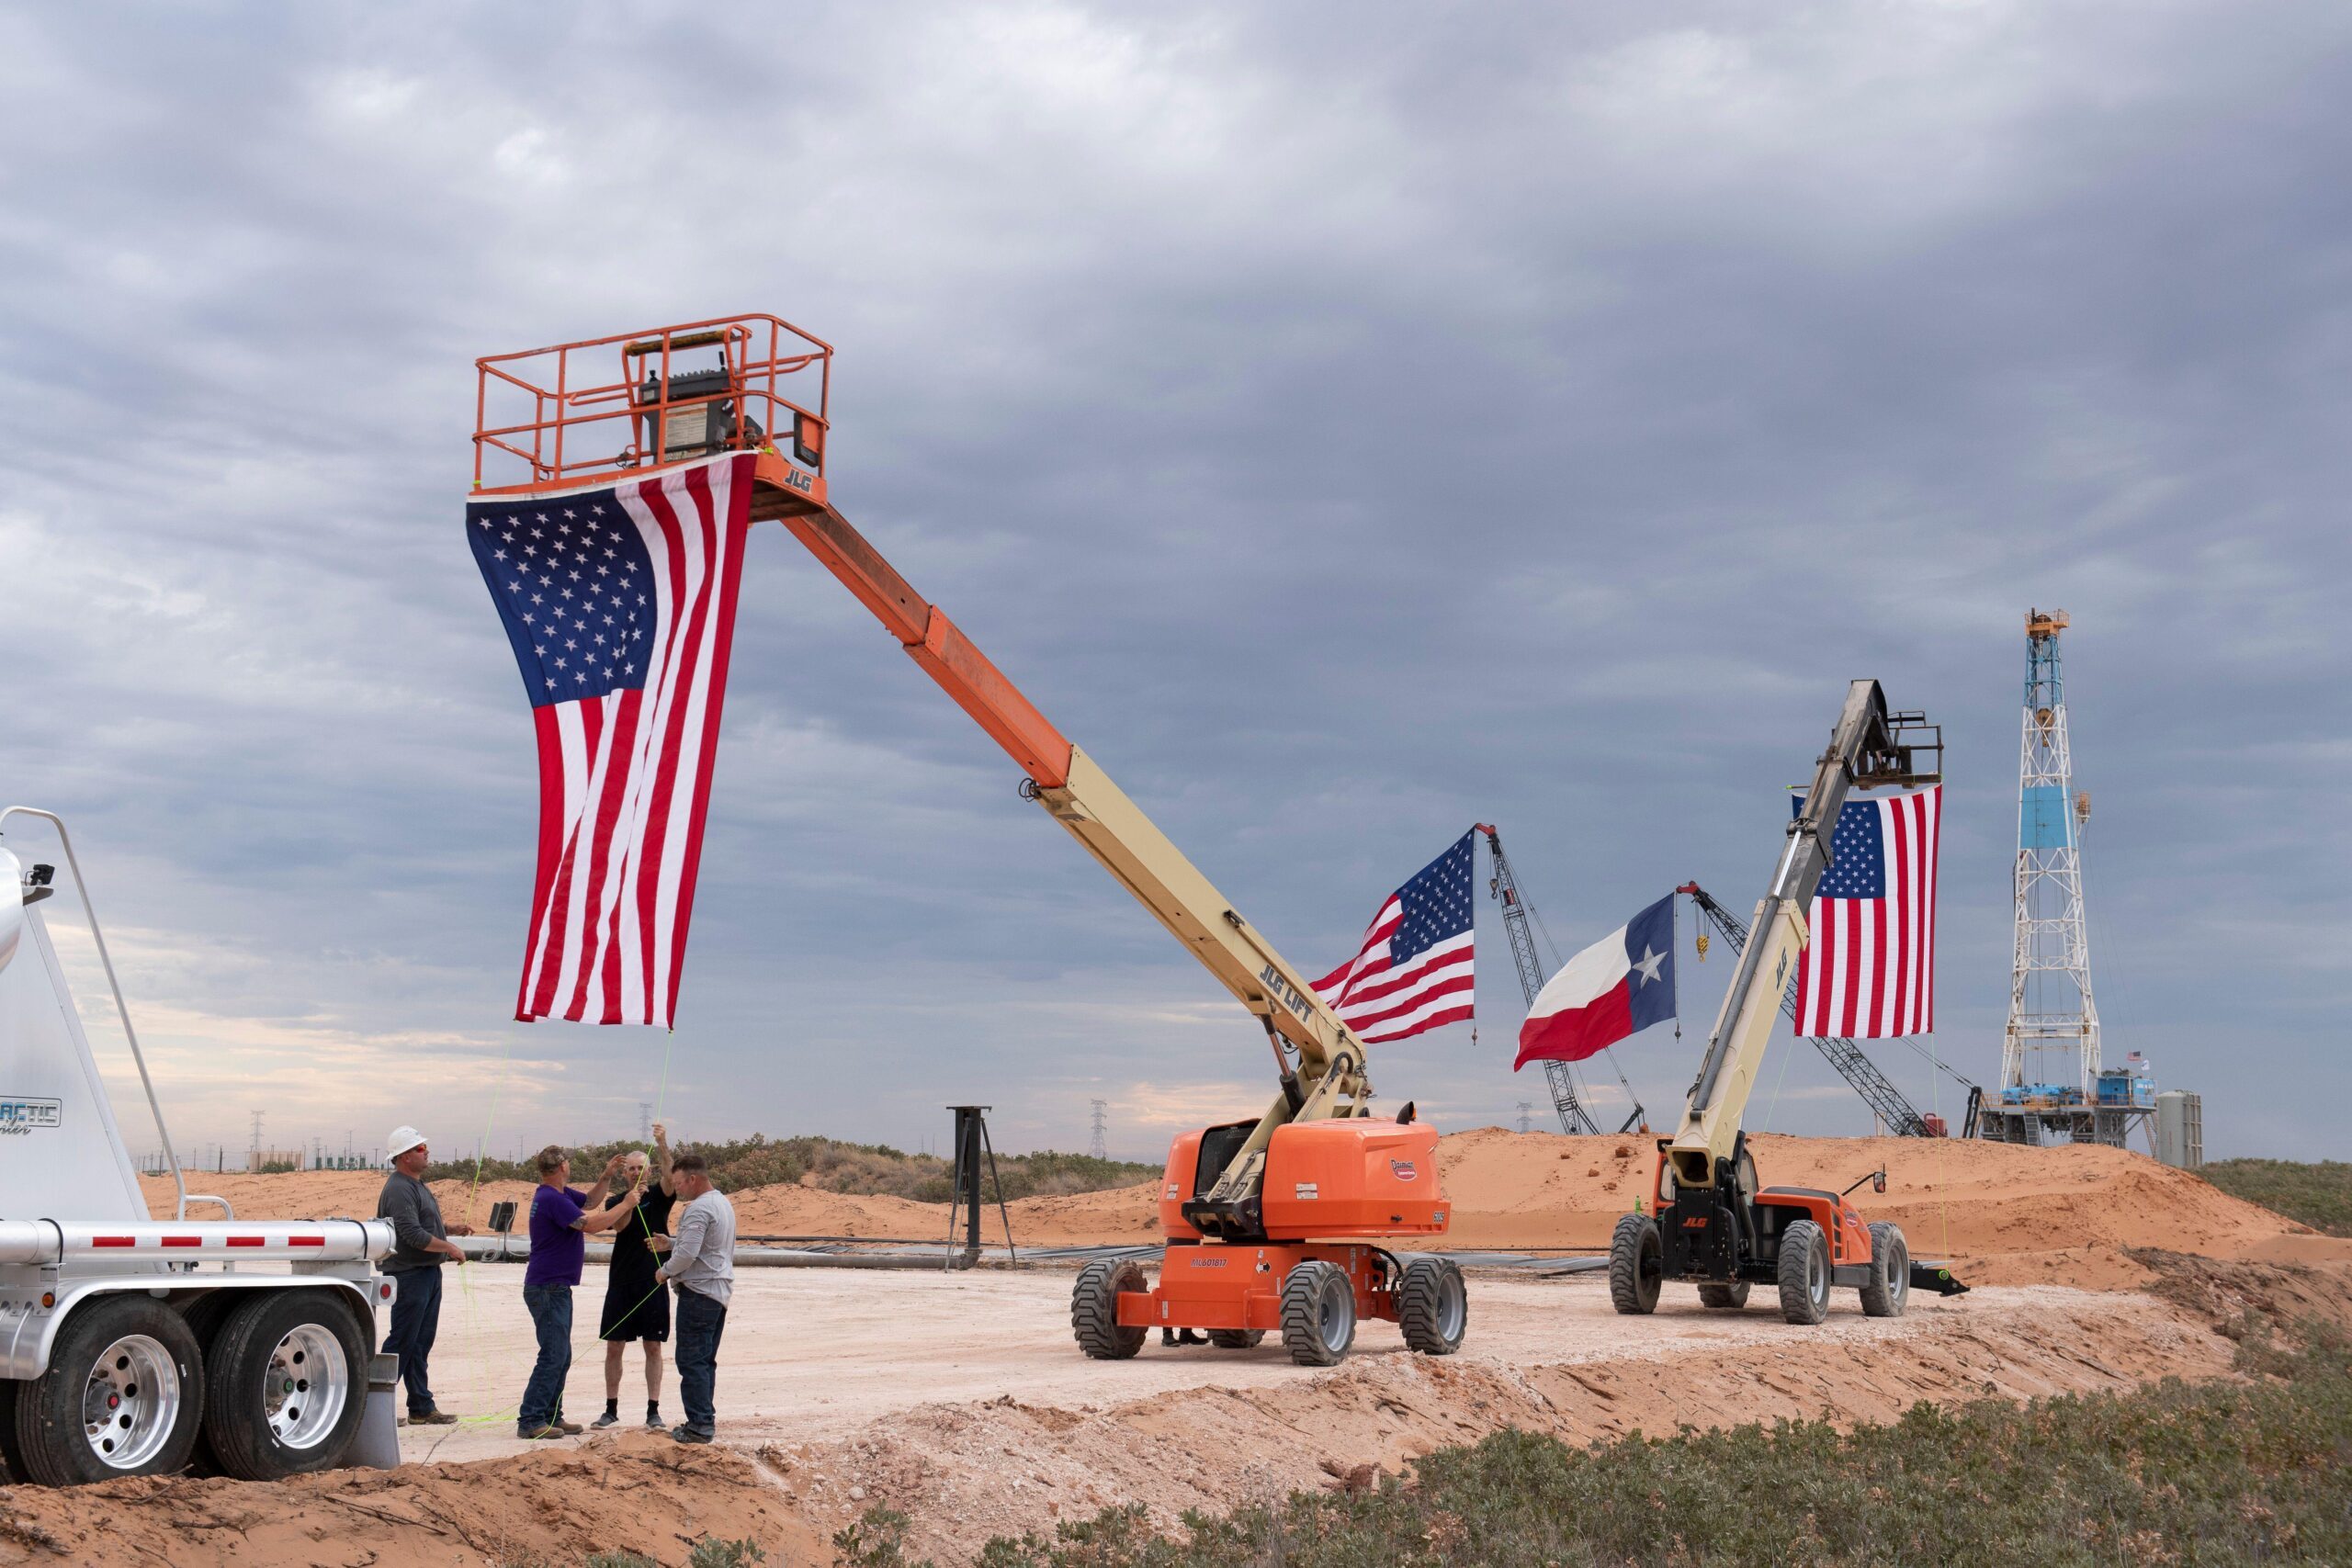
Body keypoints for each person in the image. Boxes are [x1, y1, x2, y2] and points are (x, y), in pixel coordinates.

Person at [518, 1145, 644, 1441]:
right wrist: (626, 1204)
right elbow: (590, 1225)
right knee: (553, 1354)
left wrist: (606, 1176)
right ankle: (531, 1418)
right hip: (547, 1287)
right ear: (563, 1166)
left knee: (562, 1354)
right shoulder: (551, 1198)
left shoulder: (559, 1194)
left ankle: (551, 1415)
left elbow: (589, 1201)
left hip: (556, 1286)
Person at [375, 1125, 472, 1427]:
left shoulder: (416, 1184)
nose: (426, 1152)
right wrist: (450, 1247)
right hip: (410, 1275)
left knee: (420, 1342)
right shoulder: (399, 1188)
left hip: (427, 1273)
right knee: (403, 1340)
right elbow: (412, 1234)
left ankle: (421, 1406)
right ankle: (374, 1407)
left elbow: (424, 1223)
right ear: (404, 1157)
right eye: (419, 1149)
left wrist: (449, 1228)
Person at [594, 1122, 678, 1429]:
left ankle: (653, 1410)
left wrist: (663, 1142)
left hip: (653, 1280)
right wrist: (631, 1199)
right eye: (630, 1169)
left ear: (649, 1170)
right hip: (621, 1281)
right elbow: (620, 1226)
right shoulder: (616, 1201)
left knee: (653, 1346)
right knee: (614, 1345)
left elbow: (672, 1176)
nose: (635, 1173)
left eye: (640, 1168)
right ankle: (611, 1408)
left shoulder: (659, 1195)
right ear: (624, 1172)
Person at [647, 1150, 734, 1445]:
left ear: (693, 1179)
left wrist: (665, 1271)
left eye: (680, 1183)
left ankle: (699, 1426)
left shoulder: (697, 1209)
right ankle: (703, 1419)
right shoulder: (722, 1202)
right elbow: (698, 1245)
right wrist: (670, 1242)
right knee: (705, 1360)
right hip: (717, 1293)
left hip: (699, 1293)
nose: (677, 1189)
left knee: (692, 1360)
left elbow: (687, 1254)